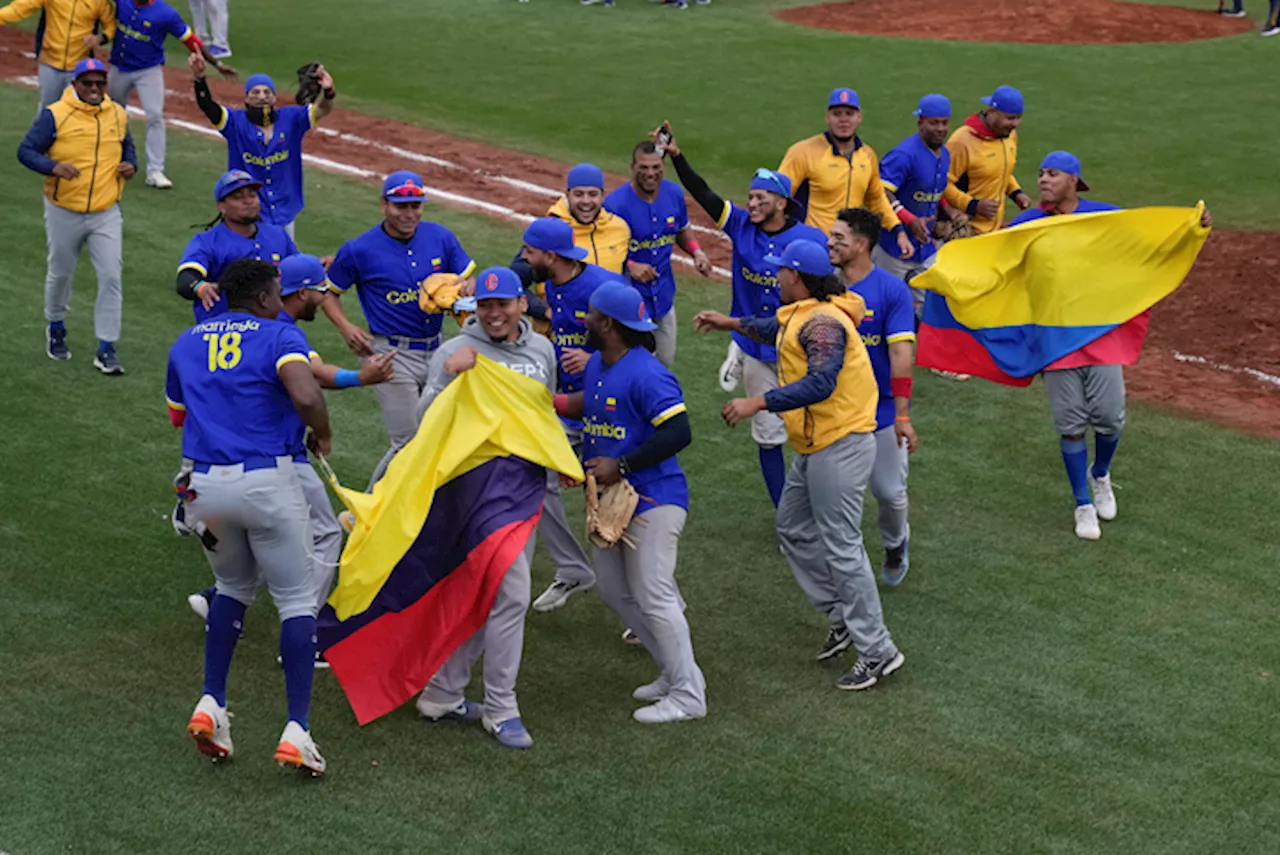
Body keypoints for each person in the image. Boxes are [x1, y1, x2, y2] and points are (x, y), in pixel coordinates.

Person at [694, 240, 905, 692]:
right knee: (791, 526)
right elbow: (775, 328)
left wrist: (758, 402)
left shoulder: (824, 324)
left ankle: (878, 649)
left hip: (839, 445)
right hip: (819, 445)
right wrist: (728, 322)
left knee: (843, 547)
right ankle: (842, 616)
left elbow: (821, 383)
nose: (775, 276)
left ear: (798, 277)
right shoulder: (807, 311)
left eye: (780, 271)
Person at [168, 259, 332, 776]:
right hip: (266, 481)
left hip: (205, 489)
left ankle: (211, 702)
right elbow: (306, 393)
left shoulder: (187, 340)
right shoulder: (279, 336)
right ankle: (297, 730)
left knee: (232, 591)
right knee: (296, 601)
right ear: (265, 298)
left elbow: (177, 414)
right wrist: (322, 433)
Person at [182, 255, 395, 637]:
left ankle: (219, 598)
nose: (325, 298)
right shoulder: (278, 329)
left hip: (215, 461)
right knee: (322, 532)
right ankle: (301, 630)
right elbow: (311, 381)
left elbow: (178, 411)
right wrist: (359, 380)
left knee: (269, 533)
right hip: (274, 457)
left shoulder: (209, 332)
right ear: (298, 294)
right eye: (320, 290)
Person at [1008, 151, 1214, 540]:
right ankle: (1083, 503)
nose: (1042, 181)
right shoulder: (1026, 224)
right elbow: (994, 261)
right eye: (1040, 174)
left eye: (1052, 174)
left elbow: (1150, 239)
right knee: (1070, 425)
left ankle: (1099, 473)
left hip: (1099, 335)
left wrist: (1191, 228)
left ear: (1074, 181)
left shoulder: (1104, 217)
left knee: (1110, 417)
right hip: (1053, 340)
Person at [412, 266, 556, 750]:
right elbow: (422, 422)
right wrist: (448, 380)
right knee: (513, 595)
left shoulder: (542, 350)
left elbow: (543, 413)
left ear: (521, 306)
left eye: (502, 304)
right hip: (474, 492)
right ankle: (501, 707)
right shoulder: (454, 352)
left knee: (487, 593)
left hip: (524, 489)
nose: (493, 314)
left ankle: (442, 694)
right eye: (485, 306)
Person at [554, 281, 705, 723]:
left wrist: (619, 467)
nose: (584, 320)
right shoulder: (602, 362)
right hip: (614, 497)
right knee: (614, 589)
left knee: (654, 594)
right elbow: (597, 404)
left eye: (591, 315)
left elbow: (679, 433)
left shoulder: (648, 373)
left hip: (655, 497)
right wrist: (549, 404)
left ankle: (689, 695)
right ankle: (674, 671)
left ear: (608, 325)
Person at [662, 121, 827, 509]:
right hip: (759, 348)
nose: (751, 203)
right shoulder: (740, 225)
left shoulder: (809, 240)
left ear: (782, 202)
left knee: (812, 431)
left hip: (797, 350)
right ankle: (784, 511)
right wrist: (677, 157)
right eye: (750, 197)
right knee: (769, 435)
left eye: (760, 197)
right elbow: (704, 195)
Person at [322, 170, 476, 487]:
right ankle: (365, 510)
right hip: (389, 354)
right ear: (384, 205)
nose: (409, 214)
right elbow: (327, 292)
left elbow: (469, 279)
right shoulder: (359, 249)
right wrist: (345, 325)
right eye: (400, 206)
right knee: (408, 442)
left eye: (415, 205)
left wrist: (465, 288)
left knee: (442, 436)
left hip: (437, 349)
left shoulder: (441, 237)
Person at [17, 57, 136, 374]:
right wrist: (53, 167)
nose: (95, 89)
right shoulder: (55, 115)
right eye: (88, 83)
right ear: (76, 84)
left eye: (100, 83)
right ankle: (56, 326)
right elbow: (25, 151)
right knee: (61, 273)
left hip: (106, 211)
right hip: (63, 210)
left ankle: (107, 347)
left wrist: (131, 166)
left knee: (111, 275)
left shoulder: (118, 114)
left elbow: (127, 148)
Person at [519, 217, 612, 614]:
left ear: (550, 255)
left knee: (617, 506)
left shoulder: (604, 289)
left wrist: (593, 359)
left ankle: (649, 603)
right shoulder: (554, 285)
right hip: (569, 408)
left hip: (607, 413)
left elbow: (647, 343)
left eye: (529, 251)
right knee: (537, 478)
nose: (523, 257)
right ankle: (573, 568)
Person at [829, 208, 918, 599]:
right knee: (831, 493)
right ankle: (837, 562)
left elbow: (900, 353)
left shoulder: (890, 290)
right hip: (832, 408)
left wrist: (902, 414)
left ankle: (896, 542)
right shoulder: (822, 284)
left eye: (838, 238)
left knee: (889, 492)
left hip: (879, 410)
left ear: (862, 245)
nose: (829, 243)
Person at [189, 51, 335, 237]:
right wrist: (199, 77)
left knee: (285, 262)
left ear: (274, 98)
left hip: (284, 209)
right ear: (246, 98)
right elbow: (207, 106)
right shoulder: (234, 123)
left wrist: (329, 91)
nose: (262, 96)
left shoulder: (291, 119)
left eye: (267, 92)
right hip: (249, 212)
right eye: (255, 92)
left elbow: (323, 109)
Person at [604, 140, 713, 367]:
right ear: (632, 167)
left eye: (656, 167)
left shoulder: (673, 193)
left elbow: (682, 229)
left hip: (663, 297)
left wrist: (697, 253)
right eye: (643, 167)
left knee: (664, 363)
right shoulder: (614, 205)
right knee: (630, 366)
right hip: (628, 302)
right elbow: (605, 251)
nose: (650, 173)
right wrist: (630, 265)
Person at [107, 0, 235, 189]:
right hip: (119, 69)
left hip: (149, 70)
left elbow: (192, 41)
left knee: (155, 116)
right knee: (111, 114)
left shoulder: (165, 13)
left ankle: (155, 171)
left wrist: (217, 64)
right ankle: (109, 159)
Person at [777, 87, 912, 258]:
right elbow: (780, 195)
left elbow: (876, 198)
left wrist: (898, 230)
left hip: (849, 251)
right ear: (827, 117)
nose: (843, 120)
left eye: (849, 113)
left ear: (859, 117)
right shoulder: (803, 152)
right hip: (813, 249)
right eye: (837, 114)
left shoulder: (867, 156)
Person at [512, 163, 630, 334]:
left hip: (603, 337)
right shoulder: (551, 230)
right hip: (555, 337)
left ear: (603, 196)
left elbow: (625, 279)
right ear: (567, 195)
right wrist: (544, 311)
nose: (586, 201)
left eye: (593, 194)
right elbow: (515, 283)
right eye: (578, 194)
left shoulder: (620, 229)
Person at [176, 170, 297, 321]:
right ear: (222, 207)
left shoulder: (277, 235)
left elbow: (298, 270)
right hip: (225, 333)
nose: (248, 201)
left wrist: (322, 265)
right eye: (238, 197)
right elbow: (185, 279)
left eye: (252, 195)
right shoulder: (206, 241)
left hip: (273, 330)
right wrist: (201, 287)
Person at [876, 94, 955, 317]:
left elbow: (933, 190)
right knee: (887, 308)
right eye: (933, 123)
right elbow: (880, 191)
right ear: (920, 123)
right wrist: (909, 219)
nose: (940, 128)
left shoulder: (945, 154)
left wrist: (948, 211)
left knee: (930, 308)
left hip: (925, 247)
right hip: (893, 248)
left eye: (944, 122)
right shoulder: (903, 155)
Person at [942, 85, 1033, 236]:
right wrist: (973, 205)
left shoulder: (1009, 135)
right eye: (1010, 118)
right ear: (991, 112)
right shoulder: (962, 141)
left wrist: (1016, 192)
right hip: (965, 231)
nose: (1015, 124)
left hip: (992, 231)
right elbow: (940, 183)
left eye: (1018, 118)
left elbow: (1001, 171)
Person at [0, 0, 116, 111]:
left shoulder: (99, 2)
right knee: (48, 109)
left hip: (79, 68)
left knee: (76, 112)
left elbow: (111, 26)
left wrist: (101, 38)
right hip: (49, 62)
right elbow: (20, 7)